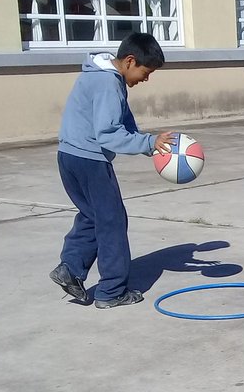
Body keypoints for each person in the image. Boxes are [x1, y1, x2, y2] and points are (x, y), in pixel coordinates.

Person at [49, 32, 173, 309]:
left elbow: (124, 125)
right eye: (146, 71)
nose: (146, 78)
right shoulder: (108, 84)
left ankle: (70, 268)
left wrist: (147, 142)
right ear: (130, 61)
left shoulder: (99, 74)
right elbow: (107, 133)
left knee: (92, 216)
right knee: (113, 222)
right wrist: (150, 142)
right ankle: (111, 291)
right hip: (90, 161)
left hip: (68, 156)